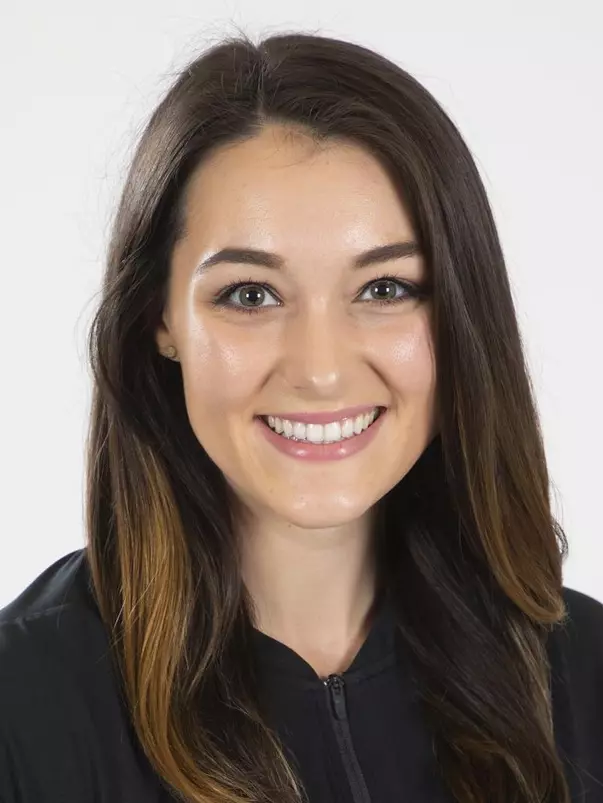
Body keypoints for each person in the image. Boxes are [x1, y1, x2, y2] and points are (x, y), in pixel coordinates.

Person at [0, 30, 602, 803]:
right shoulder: (22, 710)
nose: (320, 369)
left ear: (460, 310)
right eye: (250, 294)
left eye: (384, 288)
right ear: (160, 319)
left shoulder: (582, 674)